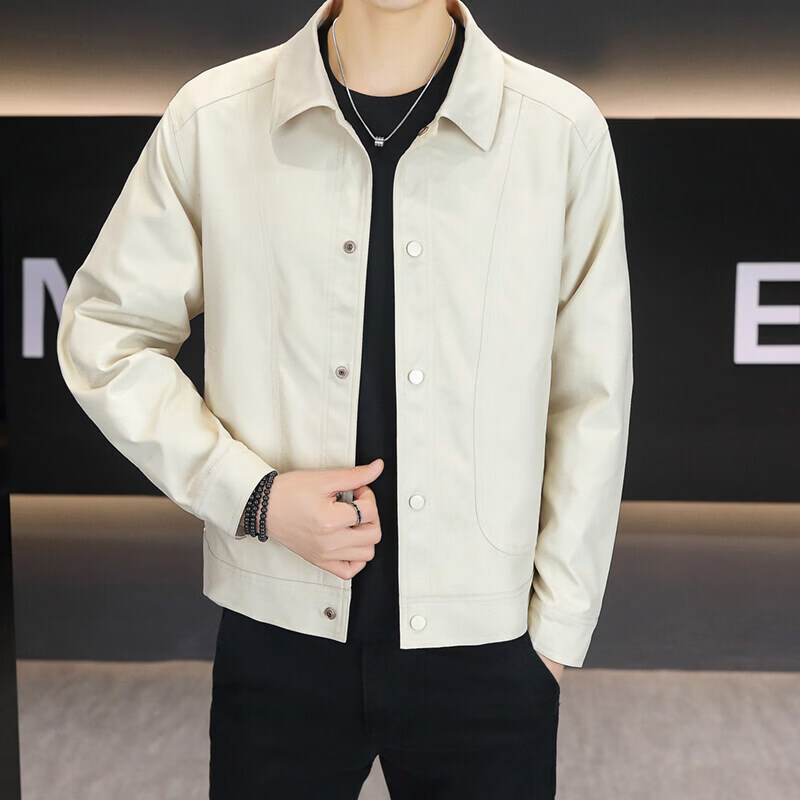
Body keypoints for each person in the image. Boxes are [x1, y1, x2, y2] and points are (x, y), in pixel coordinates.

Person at [56, 0, 634, 797]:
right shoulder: (214, 119)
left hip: (490, 651)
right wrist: (254, 498)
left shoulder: (559, 131)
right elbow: (105, 335)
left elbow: (591, 397)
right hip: (277, 637)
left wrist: (554, 639)